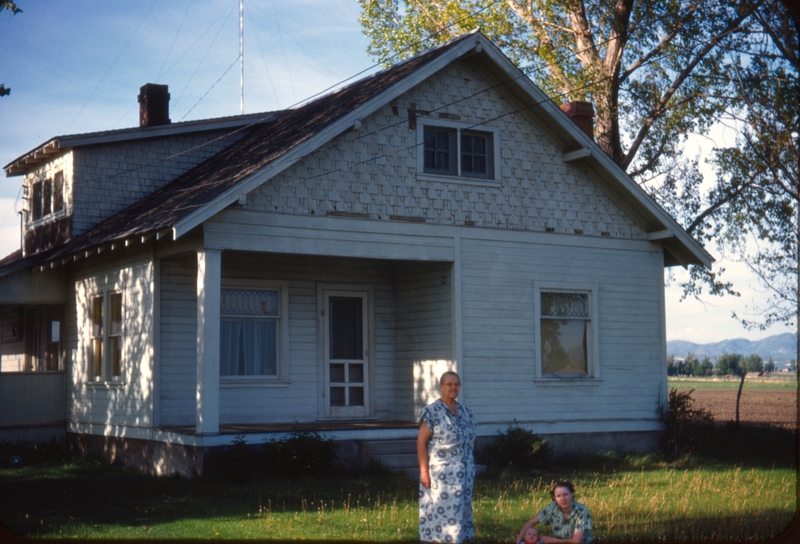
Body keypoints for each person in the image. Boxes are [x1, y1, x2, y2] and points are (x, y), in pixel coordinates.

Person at [417, 371, 478, 543]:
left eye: (456, 384)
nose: (453, 387)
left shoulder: (466, 412)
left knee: (461, 512)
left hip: (465, 474)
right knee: (445, 515)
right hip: (442, 475)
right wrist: (424, 472)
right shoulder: (432, 412)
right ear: (441, 387)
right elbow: (421, 443)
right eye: (449, 384)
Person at [516, 481, 593, 544]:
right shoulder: (552, 507)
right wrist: (519, 540)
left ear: (571, 494)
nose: (562, 499)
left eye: (565, 494)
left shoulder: (582, 511)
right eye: (558, 496)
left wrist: (551, 540)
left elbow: (576, 541)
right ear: (554, 498)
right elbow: (531, 522)